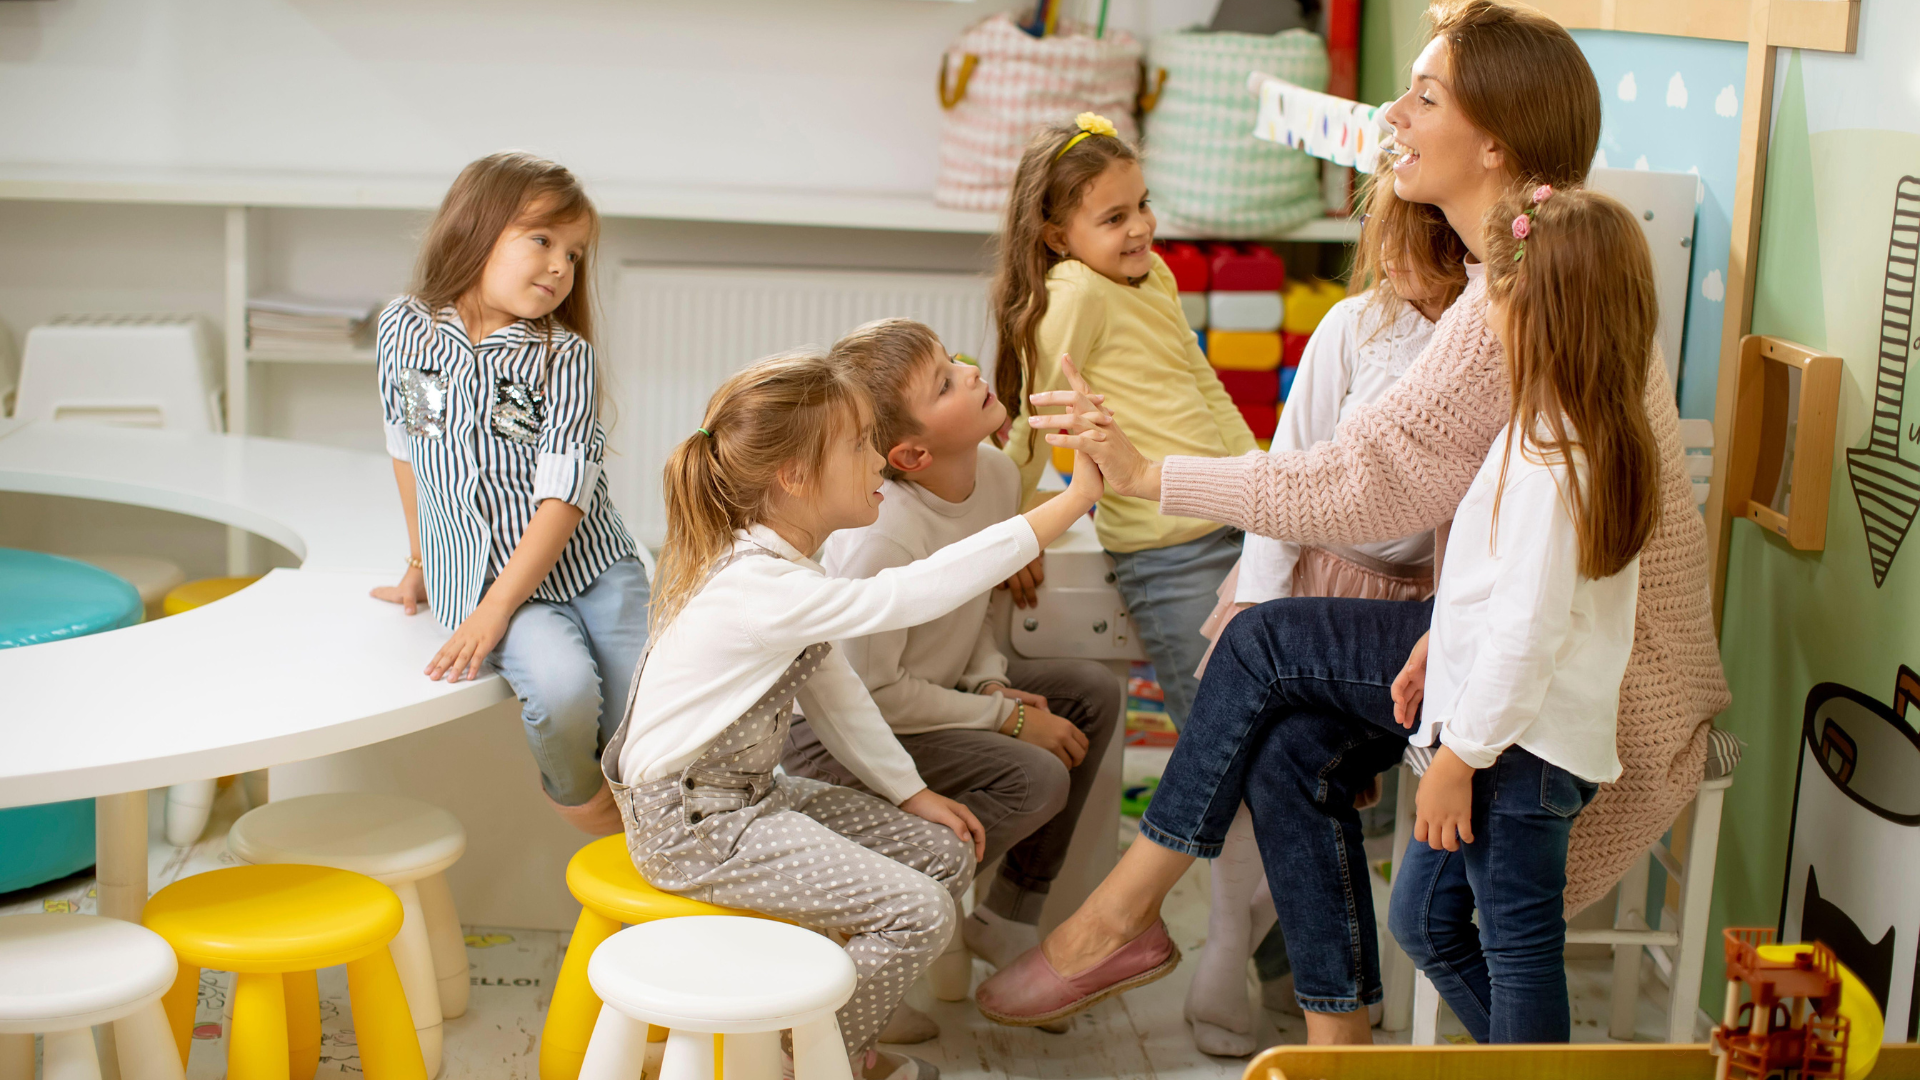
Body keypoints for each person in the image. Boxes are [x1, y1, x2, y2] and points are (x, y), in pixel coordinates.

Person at [977, 0, 1728, 1045]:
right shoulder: (1511, 272)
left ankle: (1121, 911)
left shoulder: (1522, 295)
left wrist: (1152, 472)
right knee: (1289, 743)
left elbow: (1370, 488)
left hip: (1584, 672)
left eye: (1425, 95)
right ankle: (1340, 1037)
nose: (1393, 112)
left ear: (1498, 142)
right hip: (1504, 636)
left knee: (1266, 645)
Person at [602, 349, 1106, 1079]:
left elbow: (838, 693)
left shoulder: (787, 570)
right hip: (693, 829)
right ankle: (809, 1061)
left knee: (943, 853)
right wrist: (1068, 500)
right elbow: (911, 594)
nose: (880, 459)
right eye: (860, 444)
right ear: (795, 477)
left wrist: (913, 794)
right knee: (923, 913)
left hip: (744, 802)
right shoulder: (761, 585)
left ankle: (825, 1030)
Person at [1183, 166, 1465, 1056]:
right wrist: (1258, 606)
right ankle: (1230, 954)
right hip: (1306, 575)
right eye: (1387, 238)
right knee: (1243, 763)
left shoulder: (1482, 339)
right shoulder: (1355, 326)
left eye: (1417, 241)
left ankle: (1309, 978)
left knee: (1307, 767)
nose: (1395, 260)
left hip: (1408, 611)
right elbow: (1288, 469)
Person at [1380, 183, 1661, 1042]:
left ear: (1540, 313)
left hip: (1512, 755)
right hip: (1496, 734)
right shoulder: (1555, 428)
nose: (1483, 308)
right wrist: (1438, 643)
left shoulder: (1558, 460)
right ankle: (1522, 1061)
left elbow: (1531, 633)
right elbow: (1508, 592)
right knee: (1424, 921)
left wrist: (1460, 756)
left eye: (1493, 292)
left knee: (1519, 947)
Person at [782, 319, 1122, 1009]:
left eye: (951, 361)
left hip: (931, 693)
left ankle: (1006, 918)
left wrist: (992, 681)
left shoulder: (996, 475)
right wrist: (1004, 719)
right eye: (944, 382)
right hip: (836, 737)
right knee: (1035, 774)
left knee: (1089, 692)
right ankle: (884, 937)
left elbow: (977, 614)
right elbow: (870, 696)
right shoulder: (882, 537)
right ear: (910, 454)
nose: (968, 371)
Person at [373, 152, 648, 836]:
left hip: (592, 568)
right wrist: (422, 563)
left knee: (645, 713)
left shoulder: (562, 356)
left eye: (575, 253)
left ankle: (669, 838)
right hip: (499, 578)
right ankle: (585, 805)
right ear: (477, 228)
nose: (561, 266)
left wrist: (492, 611)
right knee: (561, 691)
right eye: (542, 240)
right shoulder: (408, 333)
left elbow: (563, 494)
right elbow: (413, 448)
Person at [992, 111, 1258, 731]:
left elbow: (1202, 381)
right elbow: (1037, 421)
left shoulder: (1153, 273)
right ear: (1058, 236)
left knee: (1256, 711)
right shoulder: (1075, 294)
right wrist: (1011, 528)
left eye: (1142, 204)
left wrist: (1255, 480)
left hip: (1229, 517)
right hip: (1167, 551)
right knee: (1214, 729)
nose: (1140, 227)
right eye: (1115, 218)